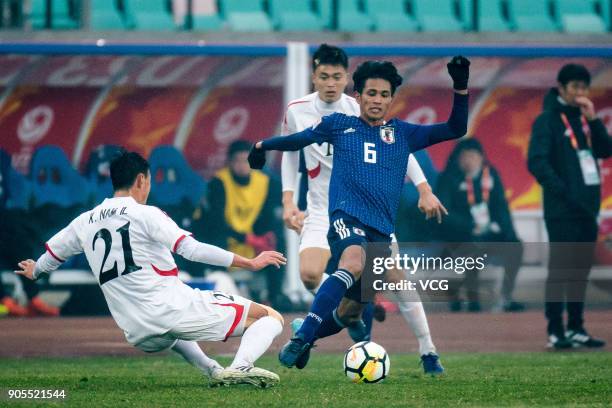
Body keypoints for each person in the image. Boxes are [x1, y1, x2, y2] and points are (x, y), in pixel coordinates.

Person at [249, 56, 470, 369]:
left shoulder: (403, 134)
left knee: (350, 312)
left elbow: (456, 128)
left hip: (380, 231)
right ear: (358, 97)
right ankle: (304, 336)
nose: (377, 100)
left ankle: (306, 336)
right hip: (345, 219)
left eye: (383, 95)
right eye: (371, 93)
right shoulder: (340, 125)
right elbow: (299, 140)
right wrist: (262, 145)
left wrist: (460, 86)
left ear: (392, 98)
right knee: (351, 262)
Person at [15, 151, 286, 388]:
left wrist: (35, 270)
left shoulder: (84, 222)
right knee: (271, 318)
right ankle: (240, 368)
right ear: (141, 180)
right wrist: (250, 262)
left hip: (137, 331)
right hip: (171, 309)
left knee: (171, 329)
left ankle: (213, 370)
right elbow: (191, 250)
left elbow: (52, 257)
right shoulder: (146, 214)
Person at [528, 63, 611, 349]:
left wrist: (595, 120)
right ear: (561, 88)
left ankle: (577, 328)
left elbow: (605, 151)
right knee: (561, 269)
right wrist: (563, 192)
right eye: (574, 86)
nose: (580, 92)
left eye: (584, 87)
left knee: (580, 270)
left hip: (587, 209)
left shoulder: (586, 119)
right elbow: (536, 162)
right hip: (562, 210)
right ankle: (555, 331)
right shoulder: (547, 120)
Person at [435, 138, 524, 312]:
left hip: (489, 234)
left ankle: (506, 297)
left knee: (516, 246)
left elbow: (502, 208)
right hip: (460, 236)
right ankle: (472, 300)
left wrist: (509, 234)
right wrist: (469, 227)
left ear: (481, 158)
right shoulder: (448, 178)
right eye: (465, 157)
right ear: (458, 159)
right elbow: (443, 213)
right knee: (471, 249)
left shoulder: (491, 174)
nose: (469, 161)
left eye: (473, 157)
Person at [205, 140, 290, 310]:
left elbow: (269, 216)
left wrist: (265, 237)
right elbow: (215, 222)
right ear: (230, 162)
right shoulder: (218, 182)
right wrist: (247, 238)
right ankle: (220, 292)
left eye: (247, 161)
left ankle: (275, 296)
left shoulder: (266, 182)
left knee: (278, 240)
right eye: (238, 161)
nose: (243, 166)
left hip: (253, 240)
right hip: (228, 239)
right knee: (215, 236)